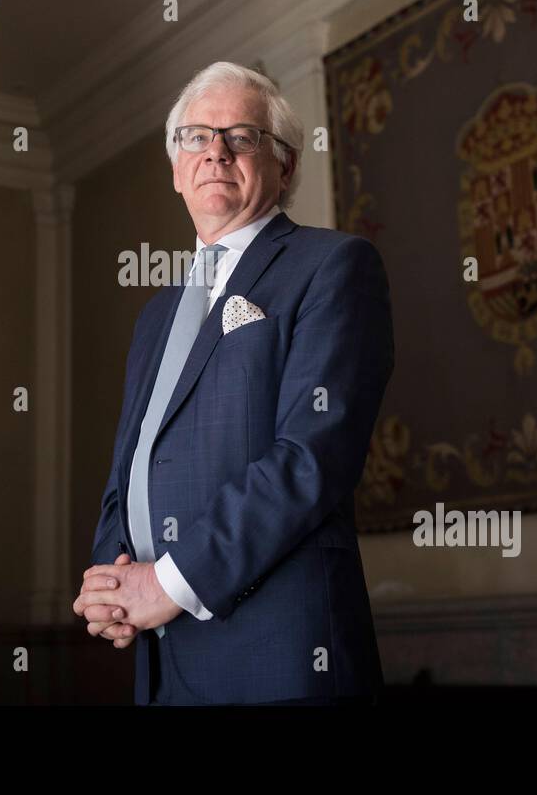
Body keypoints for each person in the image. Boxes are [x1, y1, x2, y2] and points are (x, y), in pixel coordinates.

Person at [74, 61, 394, 705]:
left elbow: (310, 458)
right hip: (161, 661)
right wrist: (113, 581)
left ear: (286, 166)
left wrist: (168, 583)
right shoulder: (156, 313)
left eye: (242, 137)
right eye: (195, 136)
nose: (215, 151)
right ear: (175, 169)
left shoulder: (334, 266)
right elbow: (132, 462)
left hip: (279, 652)